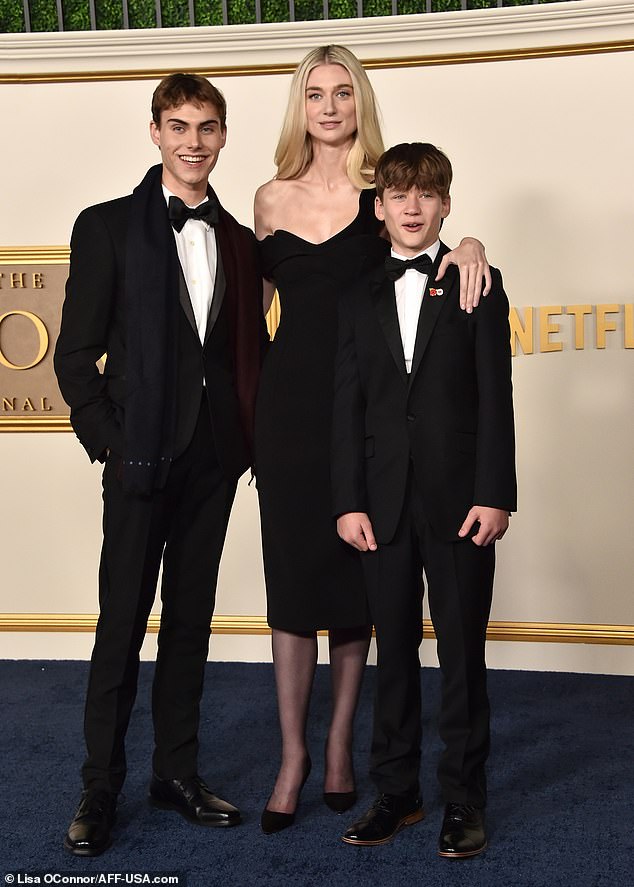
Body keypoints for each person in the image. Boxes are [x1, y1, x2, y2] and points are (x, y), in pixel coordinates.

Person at [253, 45, 492, 834]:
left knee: (365, 598)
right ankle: (292, 757)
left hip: (370, 425)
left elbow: (423, 252)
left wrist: (470, 247)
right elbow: (248, 327)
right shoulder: (267, 198)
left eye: (342, 93)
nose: (328, 107)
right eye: (315, 94)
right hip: (291, 420)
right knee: (292, 588)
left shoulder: (386, 190)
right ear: (301, 105)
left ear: (361, 103)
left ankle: (340, 749)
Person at [54, 73, 267, 856]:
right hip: (138, 458)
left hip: (214, 462)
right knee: (120, 628)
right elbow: (76, 353)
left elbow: (252, 354)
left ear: (222, 135)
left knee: (189, 626)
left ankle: (175, 772)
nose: (193, 142)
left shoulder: (240, 241)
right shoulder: (106, 225)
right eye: (178, 126)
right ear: (154, 132)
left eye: (207, 127)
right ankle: (99, 786)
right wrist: (110, 438)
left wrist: (248, 442)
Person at [332, 142, 516, 857]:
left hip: (461, 502)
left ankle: (464, 798)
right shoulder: (358, 295)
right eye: (398, 195)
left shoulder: (479, 282)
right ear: (378, 208)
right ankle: (397, 790)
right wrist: (348, 500)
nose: (412, 207)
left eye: (426, 194)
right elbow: (346, 405)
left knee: (464, 652)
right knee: (395, 651)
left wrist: (495, 493)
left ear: (446, 203)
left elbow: (495, 399)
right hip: (380, 504)